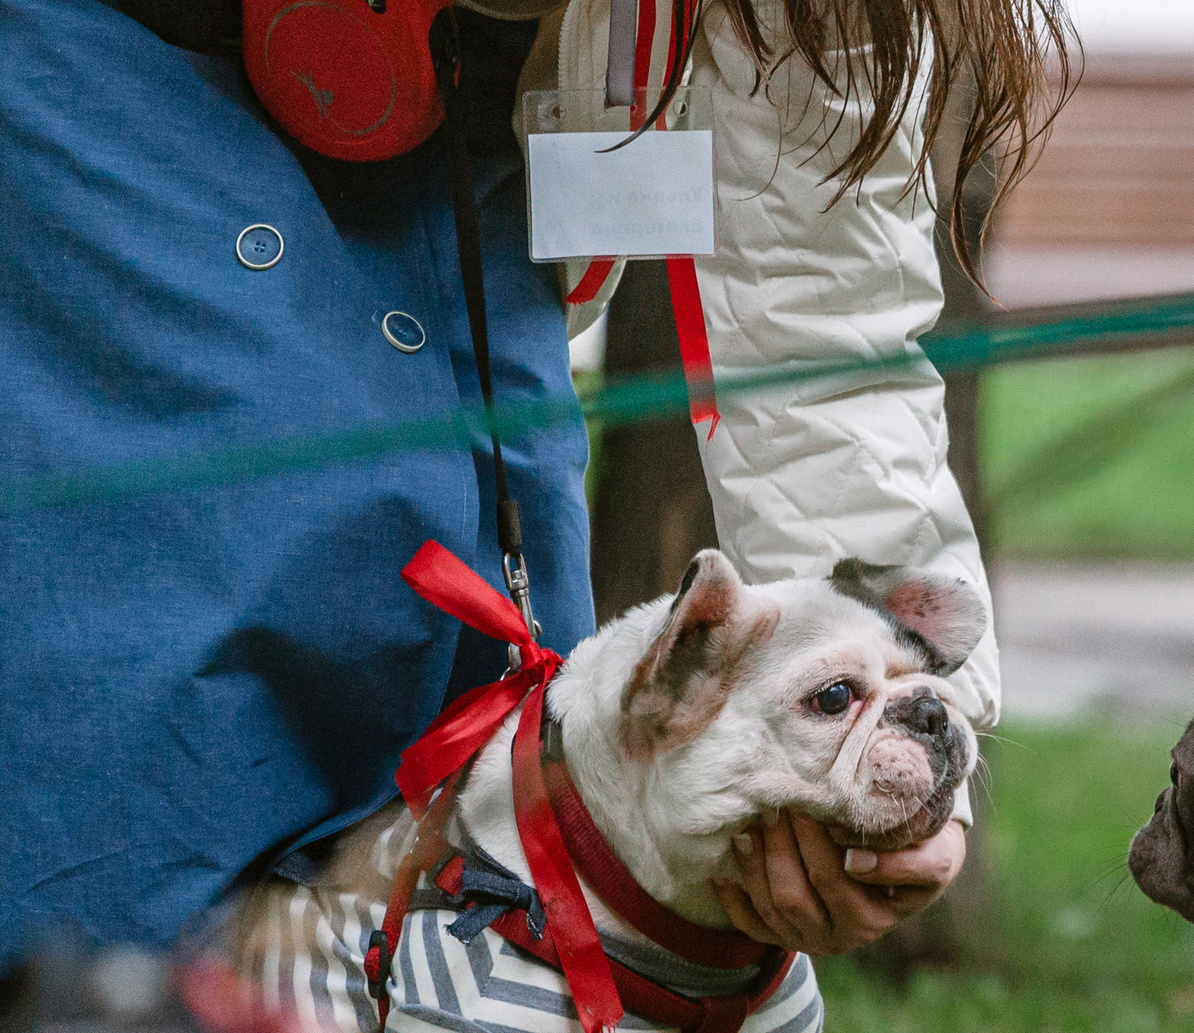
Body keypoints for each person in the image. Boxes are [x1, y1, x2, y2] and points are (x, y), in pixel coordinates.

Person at [0, 0, 1065, 960]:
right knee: (153, 720)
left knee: (508, 784)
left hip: (469, 150)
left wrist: (915, 748)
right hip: (110, 76)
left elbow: (820, 312)